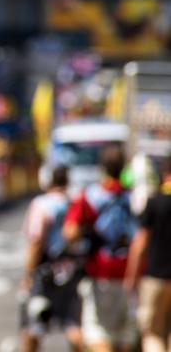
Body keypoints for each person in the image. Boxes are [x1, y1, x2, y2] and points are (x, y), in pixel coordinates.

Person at [63, 144, 139, 352]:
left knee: (99, 334)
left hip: (100, 272)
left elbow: (70, 232)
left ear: (102, 167)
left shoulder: (90, 196)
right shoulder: (134, 197)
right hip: (131, 273)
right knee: (125, 337)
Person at [21, 165, 84, 352]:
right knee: (73, 323)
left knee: (35, 323)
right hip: (71, 269)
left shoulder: (41, 204)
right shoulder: (75, 203)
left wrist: (28, 274)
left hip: (45, 270)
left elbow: (36, 241)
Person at [125, 156, 171, 352]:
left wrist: (131, 276)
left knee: (153, 334)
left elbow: (141, 243)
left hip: (156, 278)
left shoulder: (155, 203)